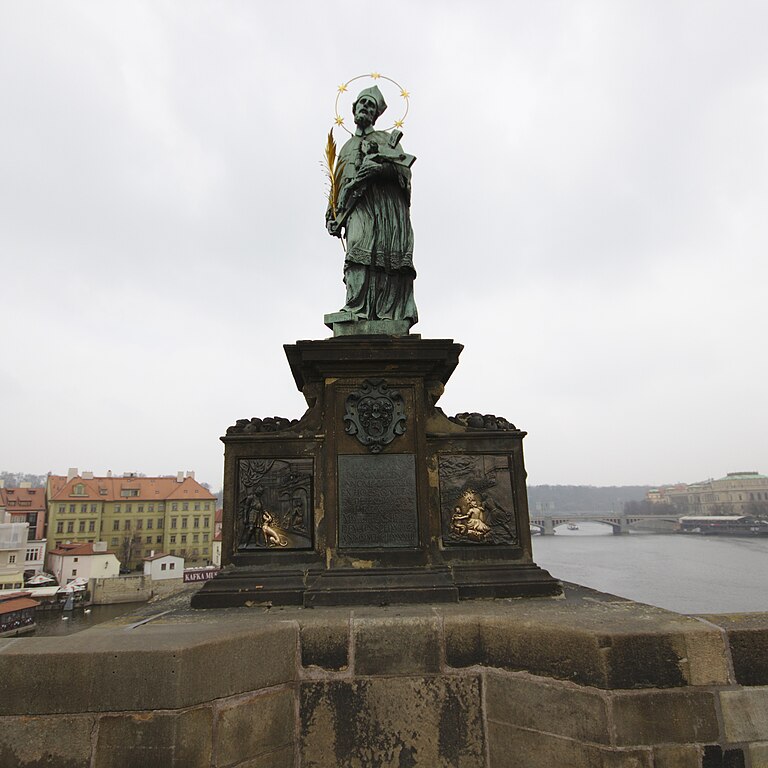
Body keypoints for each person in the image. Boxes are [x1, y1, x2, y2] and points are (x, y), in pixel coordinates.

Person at [327, 85, 418, 327]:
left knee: (384, 256)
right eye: (363, 103)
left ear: (377, 114)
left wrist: (379, 169)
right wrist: (331, 213)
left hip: (384, 208)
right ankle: (355, 306)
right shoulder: (346, 147)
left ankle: (386, 311)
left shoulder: (386, 140)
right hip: (356, 207)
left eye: (371, 106)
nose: (366, 108)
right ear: (354, 108)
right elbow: (337, 182)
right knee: (357, 247)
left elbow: (404, 171)